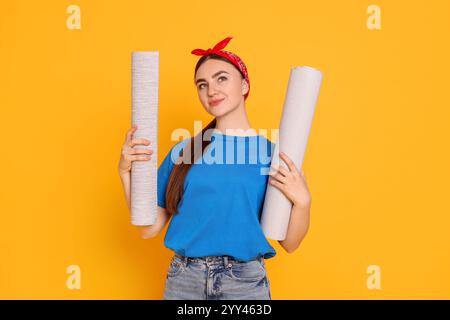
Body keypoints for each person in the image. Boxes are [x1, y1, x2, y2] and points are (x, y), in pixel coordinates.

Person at [118, 37, 312, 300]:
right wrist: (126, 174)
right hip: (184, 280)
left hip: (243, 283)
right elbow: (148, 228)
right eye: (202, 85)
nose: (211, 90)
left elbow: (290, 243)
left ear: (244, 85)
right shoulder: (184, 152)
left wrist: (303, 202)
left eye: (221, 79)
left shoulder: (272, 155)